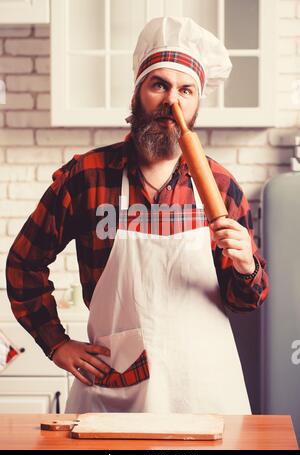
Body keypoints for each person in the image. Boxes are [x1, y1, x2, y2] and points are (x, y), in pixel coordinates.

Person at [6, 17, 269, 414]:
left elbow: (246, 300)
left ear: (198, 103)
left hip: (203, 393)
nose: (172, 102)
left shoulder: (219, 184)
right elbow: (23, 263)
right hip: (114, 391)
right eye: (159, 84)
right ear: (137, 92)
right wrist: (56, 342)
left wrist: (247, 265)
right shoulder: (88, 176)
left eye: (186, 90)